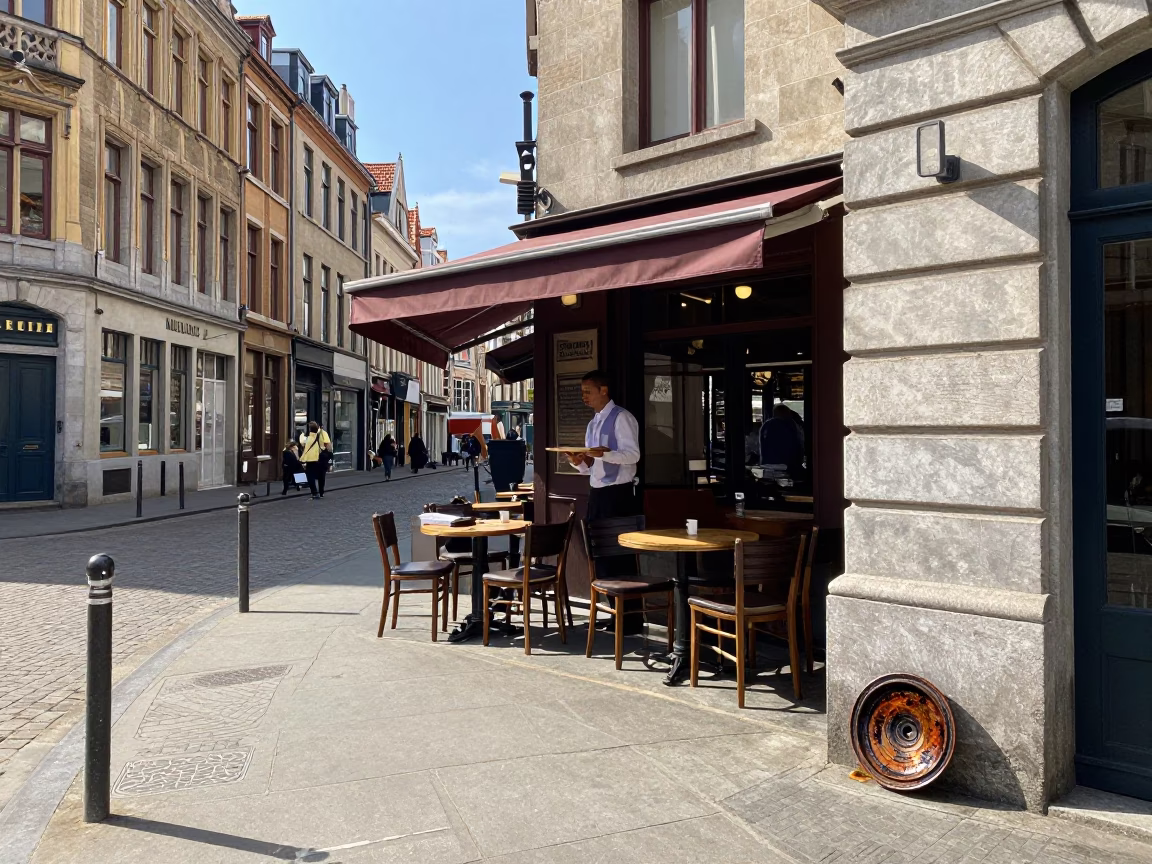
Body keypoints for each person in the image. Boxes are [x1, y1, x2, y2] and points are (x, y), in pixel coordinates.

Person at [565, 369, 640, 520]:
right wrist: (579, 463)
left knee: (614, 542)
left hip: (617, 493)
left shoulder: (622, 417)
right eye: (582, 392)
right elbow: (594, 464)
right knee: (596, 541)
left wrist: (604, 454)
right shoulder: (592, 424)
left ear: (603, 390)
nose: (584, 396)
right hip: (596, 493)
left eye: (588, 391)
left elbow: (633, 455)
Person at [758, 404, 804, 479]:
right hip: (786, 466)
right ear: (786, 413)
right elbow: (798, 446)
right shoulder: (791, 424)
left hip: (766, 466)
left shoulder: (766, 425)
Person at [300, 420, 332, 499]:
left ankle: (314, 492)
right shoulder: (323, 433)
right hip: (321, 458)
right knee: (321, 476)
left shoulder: (308, 437)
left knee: (310, 476)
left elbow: (302, 444)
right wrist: (329, 456)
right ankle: (321, 492)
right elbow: (328, 445)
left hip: (311, 459)